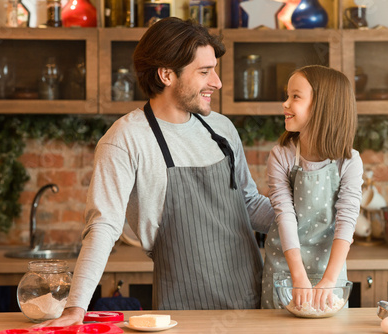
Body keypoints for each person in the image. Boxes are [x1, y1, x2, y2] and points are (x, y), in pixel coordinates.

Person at [37, 17, 274, 326]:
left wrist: (309, 221)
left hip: (250, 301)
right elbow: (104, 227)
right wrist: (75, 308)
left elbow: (251, 205)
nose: (216, 82)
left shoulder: (222, 129)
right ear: (166, 75)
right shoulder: (125, 139)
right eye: (204, 72)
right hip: (181, 310)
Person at [260, 65, 363, 310]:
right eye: (287, 96)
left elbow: (346, 221)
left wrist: (329, 280)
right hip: (285, 269)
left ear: (322, 106)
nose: (285, 103)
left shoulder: (349, 162)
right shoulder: (281, 156)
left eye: (295, 96)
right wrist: (297, 277)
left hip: (330, 269)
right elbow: (284, 215)